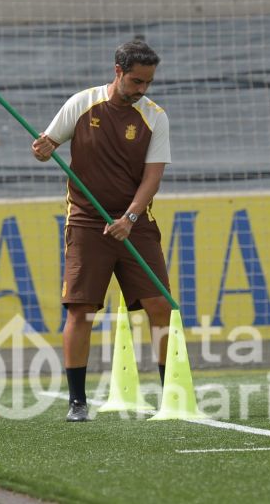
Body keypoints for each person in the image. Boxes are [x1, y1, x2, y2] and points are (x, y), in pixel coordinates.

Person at [31, 40, 173, 422]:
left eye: (148, 82)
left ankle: (169, 395)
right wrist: (42, 150)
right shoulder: (82, 104)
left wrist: (129, 218)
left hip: (134, 223)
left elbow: (153, 177)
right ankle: (77, 402)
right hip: (86, 221)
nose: (142, 89)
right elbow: (47, 145)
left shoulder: (155, 117)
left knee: (160, 306)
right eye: (136, 81)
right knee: (81, 310)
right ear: (117, 72)